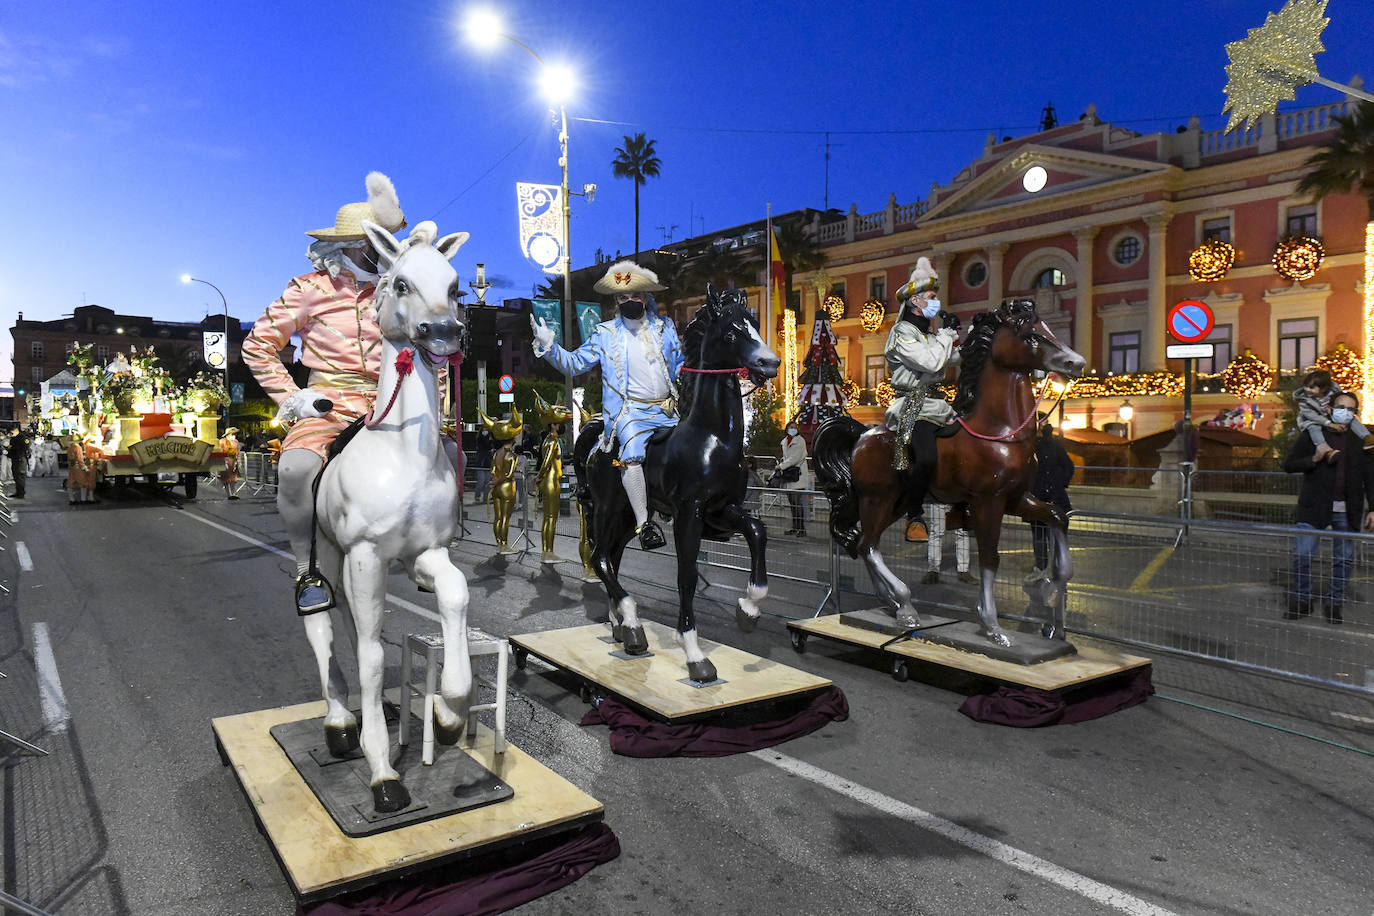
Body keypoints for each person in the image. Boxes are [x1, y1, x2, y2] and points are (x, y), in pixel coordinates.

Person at [242, 171, 406, 612]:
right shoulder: (309, 289)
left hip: (390, 403)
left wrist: (439, 406)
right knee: (295, 469)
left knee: (450, 458)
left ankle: (428, 548)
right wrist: (292, 398)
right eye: (377, 243)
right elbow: (257, 345)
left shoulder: (396, 291)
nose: (385, 251)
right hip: (329, 405)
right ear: (354, 246)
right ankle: (307, 568)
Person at [531, 260, 684, 550]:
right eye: (623, 297)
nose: (629, 301)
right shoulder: (605, 333)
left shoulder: (665, 327)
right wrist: (550, 347)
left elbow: (680, 365)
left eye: (634, 296)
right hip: (630, 414)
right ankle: (644, 523)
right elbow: (574, 363)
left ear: (645, 298)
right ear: (616, 301)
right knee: (631, 455)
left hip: (668, 409)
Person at [1282, 391, 1374, 624]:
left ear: (1355, 414)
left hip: (1348, 509)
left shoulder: (1361, 440)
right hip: (1314, 506)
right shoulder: (1314, 434)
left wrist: (1373, 507)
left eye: (1351, 409)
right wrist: (1313, 459)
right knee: (1303, 556)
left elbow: (1370, 476)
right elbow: (1289, 464)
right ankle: (1302, 601)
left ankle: (1334, 604)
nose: (1346, 412)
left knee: (1343, 560)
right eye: (1341, 407)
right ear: (1330, 409)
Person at [884, 256, 960, 520]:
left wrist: (976, 340)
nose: (936, 302)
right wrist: (946, 336)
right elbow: (932, 362)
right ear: (915, 301)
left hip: (938, 404)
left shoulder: (928, 334)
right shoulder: (901, 333)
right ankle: (914, 514)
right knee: (926, 458)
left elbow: (952, 357)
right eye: (931, 297)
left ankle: (960, 506)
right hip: (913, 406)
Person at [1294, 369, 1374, 463]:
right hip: (1313, 419)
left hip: (1331, 414)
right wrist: (1330, 424)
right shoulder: (1304, 399)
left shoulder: (1334, 391)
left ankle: (1367, 437)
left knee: (1351, 419)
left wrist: (1343, 419)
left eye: (1311, 387)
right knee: (1313, 428)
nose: (1307, 389)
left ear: (1323, 388)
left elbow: (1341, 402)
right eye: (1306, 386)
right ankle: (1325, 450)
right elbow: (1312, 416)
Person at [1029, 417, 1074, 578]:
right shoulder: (1039, 446)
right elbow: (1068, 467)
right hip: (1045, 496)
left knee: (1047, 535)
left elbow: (1068, 466)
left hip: (1045, 497)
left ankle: (1049, 567)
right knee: (1045, 535)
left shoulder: (1045, 446)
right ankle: (1048, 567)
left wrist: (1059, 483)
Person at [922, 502, 976, 584]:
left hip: (958, 502)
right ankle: (933, 570)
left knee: (962, 533)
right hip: (938, 501)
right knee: (936, 533)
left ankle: (964, 570)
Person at [775, 422, 811, 537]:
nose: (793, 429)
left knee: (796, 502)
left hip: (797, 475)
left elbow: (795, 458)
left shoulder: (800, 441)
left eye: (795, 428)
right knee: (792, 503)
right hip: (789, 475)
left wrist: (781, 466)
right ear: (787, 429)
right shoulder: (785, 441)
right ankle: (795, 527)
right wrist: (782, 463)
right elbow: (786, 457)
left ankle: (801, 529)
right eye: (791, 427)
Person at [66, 433, 99, 504]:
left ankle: (72, 500)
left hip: (72, 467)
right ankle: (83, 500)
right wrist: (84, 467)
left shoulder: (70, 447)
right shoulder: (78, 448)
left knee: (70, 483)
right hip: (78, 467)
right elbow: (79, 458)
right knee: (83, 483)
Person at [472, 427, 494, 504]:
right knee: (481, 480)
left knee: (487, 481)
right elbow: (484, 446)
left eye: (486, 430)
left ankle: (486, 497)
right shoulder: (480, 439)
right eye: (484, 430)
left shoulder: (491, 438)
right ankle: (477, 496)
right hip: (481, 462)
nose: (485, 431)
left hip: (487, 462)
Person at [218, 427, 241, 500]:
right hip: (225, 460)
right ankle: (228, 494)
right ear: (228, 434)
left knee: (233, 478)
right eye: (233, 434)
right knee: (226, 478)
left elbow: (238, 452)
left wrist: (238, 461)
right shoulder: (222, 441)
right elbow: (220, 452)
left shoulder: (236, 442)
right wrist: (223, 462)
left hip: (233, 461)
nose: (234, 436)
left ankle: (233, 493)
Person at [8, 430, 30, 498]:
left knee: (20, 476)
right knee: (16, 476)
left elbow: (24, 449)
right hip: (15, 459)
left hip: (20, 459)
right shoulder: (14, 438)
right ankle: (18, 492)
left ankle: (21, 493)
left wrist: (12, 449)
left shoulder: (23, 438)